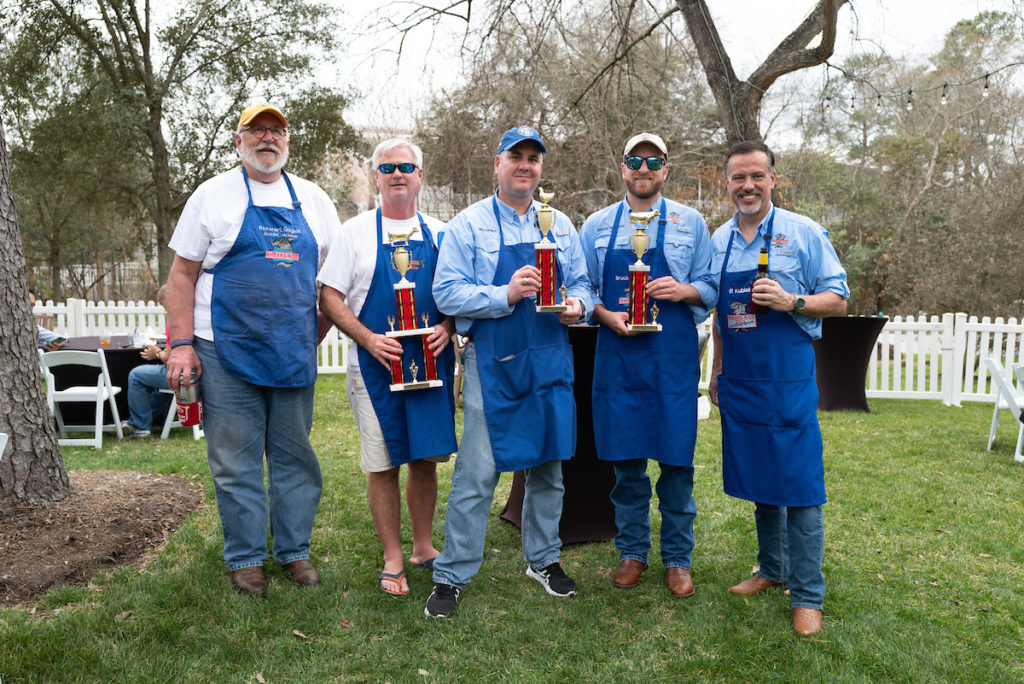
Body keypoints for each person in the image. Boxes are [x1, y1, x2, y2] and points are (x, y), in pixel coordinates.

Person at [164, 103, 340, 596]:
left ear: (287, 141)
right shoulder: (212, 195)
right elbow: (181, 275)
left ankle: (294, 552)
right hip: (224, 348)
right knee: (236, 460)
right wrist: (181, 345)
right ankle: (246, 558)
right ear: (239, 141)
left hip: (291, 351)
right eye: (256, 130)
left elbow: (333, 279)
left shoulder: (313, 198)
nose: (268, 138)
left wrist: (319, 328)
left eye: (276, 130)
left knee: (295, 457)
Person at [425, 126, 595, 618]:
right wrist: (505, 293)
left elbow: (582, 282)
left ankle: (543, 560)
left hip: (549, 356)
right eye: (516, 157)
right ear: (497, 163)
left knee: (548, 467)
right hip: (492, 361)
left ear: (541, 168)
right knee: (478, 472)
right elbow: (447, 294)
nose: (525, 165)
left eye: (533, 158)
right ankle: (452, 575)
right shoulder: (468, 224)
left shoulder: (560, 224)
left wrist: (578, 304)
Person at [708, 140, 849, 636]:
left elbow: (838, 299)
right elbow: (720, 314)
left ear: (773, 179)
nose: (747, 186)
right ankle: (771, 569)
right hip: (740, 380)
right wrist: (716, 372)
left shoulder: (803, 233)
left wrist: (792, 300)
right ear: (726, 182)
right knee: (761, 478)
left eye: (757, 177)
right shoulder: (719, 239)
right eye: (737, 178)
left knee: (801, 484)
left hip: (787, 377)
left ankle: (808, 594)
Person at [578, 132, 715, 597]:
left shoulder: (690, 222)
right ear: (622, 168)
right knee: (627, 464)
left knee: (677, 464)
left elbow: (711, 285)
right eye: (634, 160)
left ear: (665, 169)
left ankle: (678, 558)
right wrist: (604, 315)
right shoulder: (596, 225)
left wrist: (683, 290)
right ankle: (633, 551)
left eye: (653, 160)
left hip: (671, 361)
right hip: (617, 359)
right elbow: (582, 288)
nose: (643, 168)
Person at [318, 138, 457, 597]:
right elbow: (330, 296)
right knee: (382, 464)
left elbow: (458, 292)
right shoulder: (353, 233)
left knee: (424, 460)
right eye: (387, 168)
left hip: (430, 364)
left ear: (421, 175)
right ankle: (392, 558)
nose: (397, 174)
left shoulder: (441, 232)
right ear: (375, 176)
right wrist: (367, 338)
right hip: (376, 367)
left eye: (406, 167)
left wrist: (448, 326)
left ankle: (422, 546)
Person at [120, 285, 172, 438]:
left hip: (178, 373)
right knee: (160, 390)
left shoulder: (176, 322)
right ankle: (141, 421)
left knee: (136, 375)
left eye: (164, 305)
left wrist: (156, 352)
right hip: (196, 373)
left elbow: (168, 357)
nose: (164, 310)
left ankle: (140, 425)